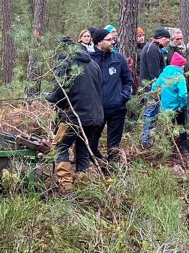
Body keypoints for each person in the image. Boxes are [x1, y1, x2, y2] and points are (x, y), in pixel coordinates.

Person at [47, 37, 105, 186]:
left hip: (74, 116)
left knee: (61, 146)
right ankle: (82, 183)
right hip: (96, 116)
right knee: (83, 148)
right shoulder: (94, 64)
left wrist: (49, 97)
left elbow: (59, 90)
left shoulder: (65, 63)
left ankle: (66, 186)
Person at [91, 27, 135, 156]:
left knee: (114, 146)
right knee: (91, 143)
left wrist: (123, 97)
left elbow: (128, 80)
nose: (112, 42)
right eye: (109, 40)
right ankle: (99, 163)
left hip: (117, 109)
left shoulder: (118, 58)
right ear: (99, 42)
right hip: (97, 110)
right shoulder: (90, 60)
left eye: (113, 39)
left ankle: (113, 170)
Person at [147, 52, 189, 153]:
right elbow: (183, 94)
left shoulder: (164, 74)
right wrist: (183, 105)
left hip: (165, 108)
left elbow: (154, 87)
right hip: (178, 107)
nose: (183, 67)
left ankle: (167, 148)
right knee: (182, 127)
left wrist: (158, 98)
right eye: (183, 65)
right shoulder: (179, 76)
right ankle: (184, 149)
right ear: (180, 65)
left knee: (167, 128)